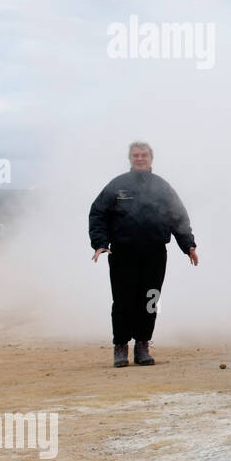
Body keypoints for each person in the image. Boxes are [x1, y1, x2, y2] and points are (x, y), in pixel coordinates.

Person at [88, 142, 198, 368]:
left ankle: (142, 345)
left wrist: (188, 245)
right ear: (129, 159)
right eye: (135, 155)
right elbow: (98, 213)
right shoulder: (117, 186)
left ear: (151, 158)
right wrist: (100, 243)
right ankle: (120, 347)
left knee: (150, 300)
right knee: (122, 301)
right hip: (123, 253)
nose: (140, 158)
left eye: (144, 155)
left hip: (155, 253)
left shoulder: (162, 187)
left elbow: (178, 217)